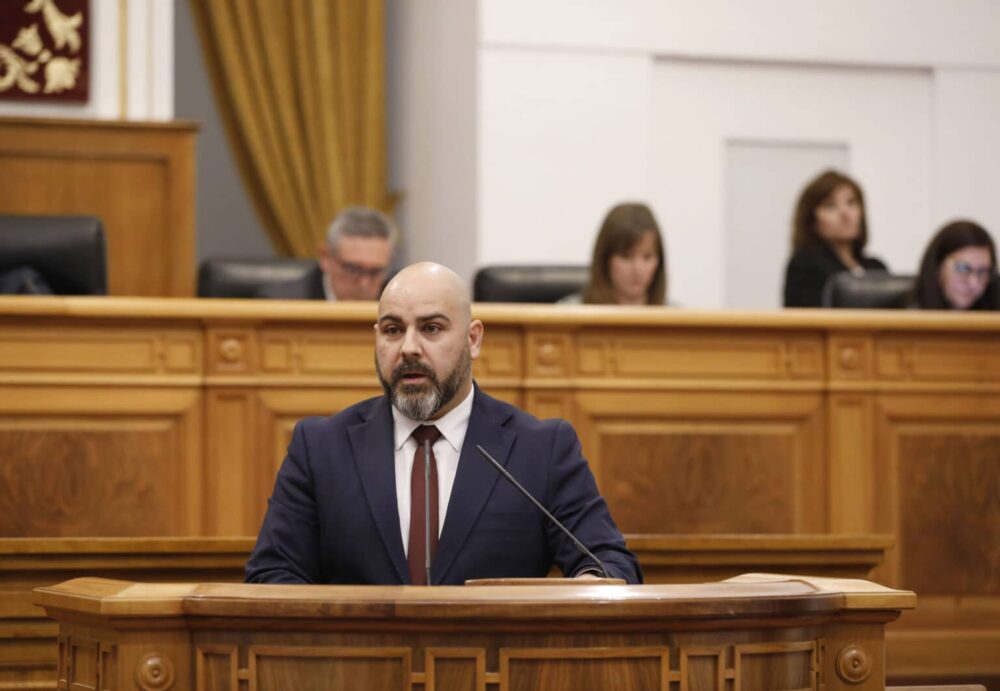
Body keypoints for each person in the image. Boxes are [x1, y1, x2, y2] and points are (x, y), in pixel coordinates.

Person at [246, 262, 641, 585]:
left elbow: (610, 563)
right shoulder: (320, 448)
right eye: (393, 330)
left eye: (431, 328)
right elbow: (272, 575)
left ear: (473, 339)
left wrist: (587, 586)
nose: (409, 348)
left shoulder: (541, 448)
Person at [783, 170, 888, 307]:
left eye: (851, 203)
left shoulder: (876, 268)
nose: (845, 213)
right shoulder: (805, 266)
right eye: (830, 206)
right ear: (812, 221)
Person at [258, 206, 397, 301]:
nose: (364, 283)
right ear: (325, 257)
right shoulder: (280, 303)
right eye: (353, 269)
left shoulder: (399, 301)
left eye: (375, 272)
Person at [560, 202, 667, 305]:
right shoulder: (569, 313)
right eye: (626, 257)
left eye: (647, 257)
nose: (637, 269)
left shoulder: (674, 314)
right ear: (605, 259)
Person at [911, 220, 998, 311]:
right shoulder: (903, 312)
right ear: (937, 266)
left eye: (982, 271)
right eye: (962, 268)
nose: (973, 283)